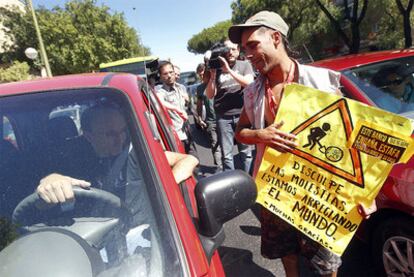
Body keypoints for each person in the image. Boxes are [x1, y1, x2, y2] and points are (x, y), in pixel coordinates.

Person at [230, 10, 375, 277]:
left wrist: (366, 194)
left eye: (252, 46)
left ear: (275, 38)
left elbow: (353, 140)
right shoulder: (253, 91)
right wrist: (261, 135)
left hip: (319, 191)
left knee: (326, 264)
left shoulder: (322, 82)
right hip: (276, 188)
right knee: (287, 255)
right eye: (243, 49)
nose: (247, 55)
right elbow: (240, 132)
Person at [37, 104, 199, 204]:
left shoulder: (134, 151)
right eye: (110, 134)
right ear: (88, 136)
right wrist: (51, 182)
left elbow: (188, 159)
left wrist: (166, 186)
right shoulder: (73, 158)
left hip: (142, 234)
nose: (119, 139)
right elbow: (52, 179)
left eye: (122, 131)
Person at [206, 39, 254, 172]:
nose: (231, 52)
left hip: (243, 115)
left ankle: (248, 180)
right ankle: (232, 183)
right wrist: (212, 76)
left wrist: (229, 70)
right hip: (223, 117)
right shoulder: (217, 69)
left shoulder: (244, 65)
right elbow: (210, 95)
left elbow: (249, 83)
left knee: (246, 153)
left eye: (234, 49)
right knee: (227, 155)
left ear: (238, 50)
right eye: (227, 50)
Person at [155, 61, 198, 157]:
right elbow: (160, 101)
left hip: (187, 131)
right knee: (183, 163)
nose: (169, 75)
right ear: (161, 76)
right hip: (176, 136)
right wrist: (176, 109)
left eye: (171, 72)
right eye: (165, 73)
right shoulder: (160, 91)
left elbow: (189, 106)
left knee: (195, 161)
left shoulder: (181, 88)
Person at [196, 62, 222, 172]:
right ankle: (220, 167)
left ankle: (228, 166)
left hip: (222, 118)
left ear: (208, 73)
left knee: (226, 144)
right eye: (200, 75)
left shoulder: (217, 83)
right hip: (210, 121)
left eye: (203, 74)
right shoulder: (200, 88)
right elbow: (199, 104)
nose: (202, 77)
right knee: (215, 144)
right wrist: (200, 118)